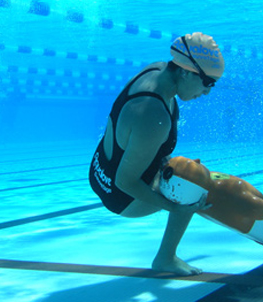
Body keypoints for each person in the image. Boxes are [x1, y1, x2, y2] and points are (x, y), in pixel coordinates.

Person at [89, 32, 225, 276]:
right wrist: (176, 208)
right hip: (118, 194)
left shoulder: (157, 70)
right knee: (194, 180)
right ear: (185, 71)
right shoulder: (153, 115)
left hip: (100, 169)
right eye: (208, 83)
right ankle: (166, 257)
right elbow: (125, 181)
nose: (207, 92)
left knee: (182, 168)